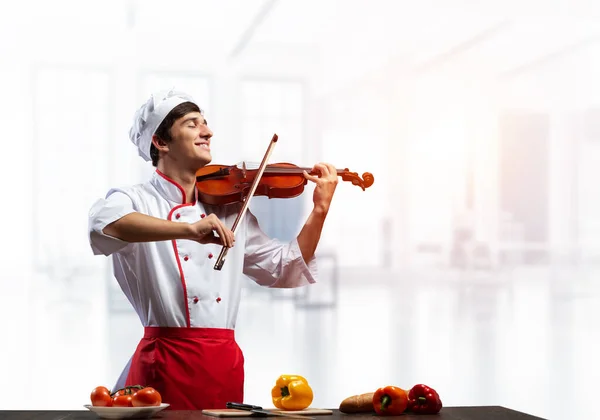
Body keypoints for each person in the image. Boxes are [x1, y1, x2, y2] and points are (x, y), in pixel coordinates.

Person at [87, 89, 338, 410]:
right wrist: (189, 230)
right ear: (160, 142)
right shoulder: (133, 199)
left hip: (223, 362)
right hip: (164, 360)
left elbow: (282, 267)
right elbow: (108, 225)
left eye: (205, 123)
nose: (208, 132)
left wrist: (320, 210)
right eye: (192, 124)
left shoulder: (232, 209)